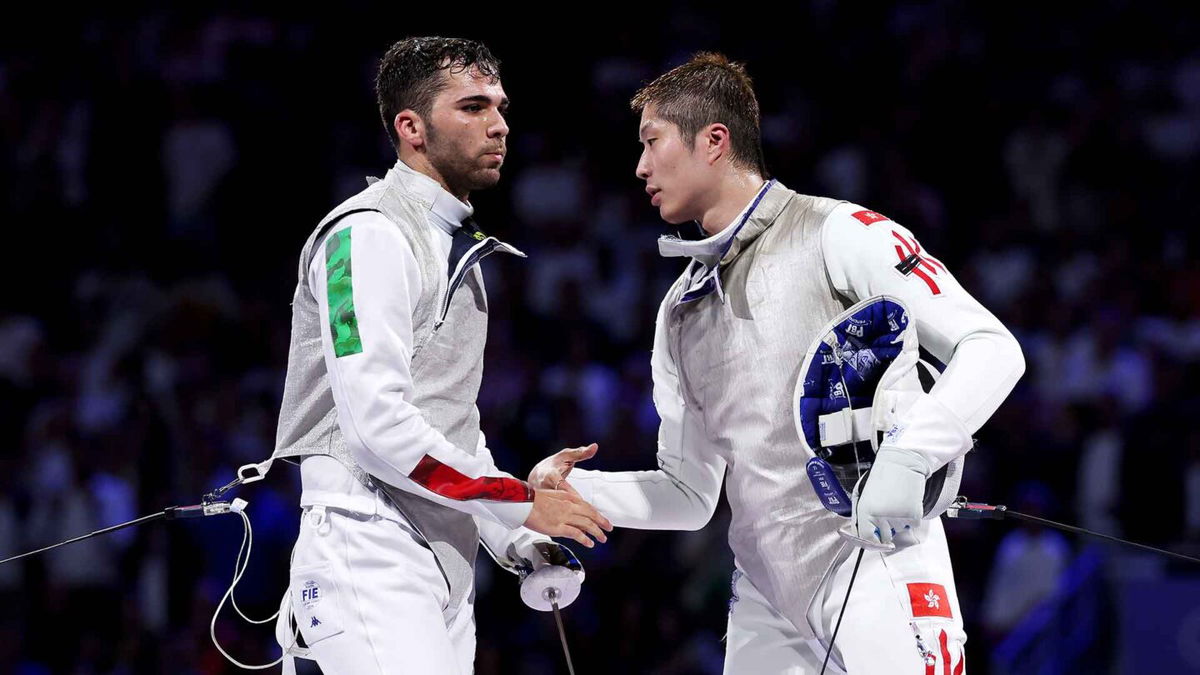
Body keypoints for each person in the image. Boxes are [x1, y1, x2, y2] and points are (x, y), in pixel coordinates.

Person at [531, 52, 1024, 673]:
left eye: (652, 143)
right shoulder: (679, 312)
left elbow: (992, 348)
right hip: (765, 599)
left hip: (876, 563)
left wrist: (910, 456)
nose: (640, 168)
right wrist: (570, 492)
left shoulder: (838, 233)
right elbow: (689, 494)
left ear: (713, 141)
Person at [268, 36, 611, 675]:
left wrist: (516, 536)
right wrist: (517, 499)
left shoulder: (455, 247)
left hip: (439, 560)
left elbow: (447, 427)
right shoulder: (365, 235)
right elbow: (377, 428)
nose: (499, 125)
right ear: (412, 127)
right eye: (473, 107)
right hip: (368, 546)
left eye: (501, 107)